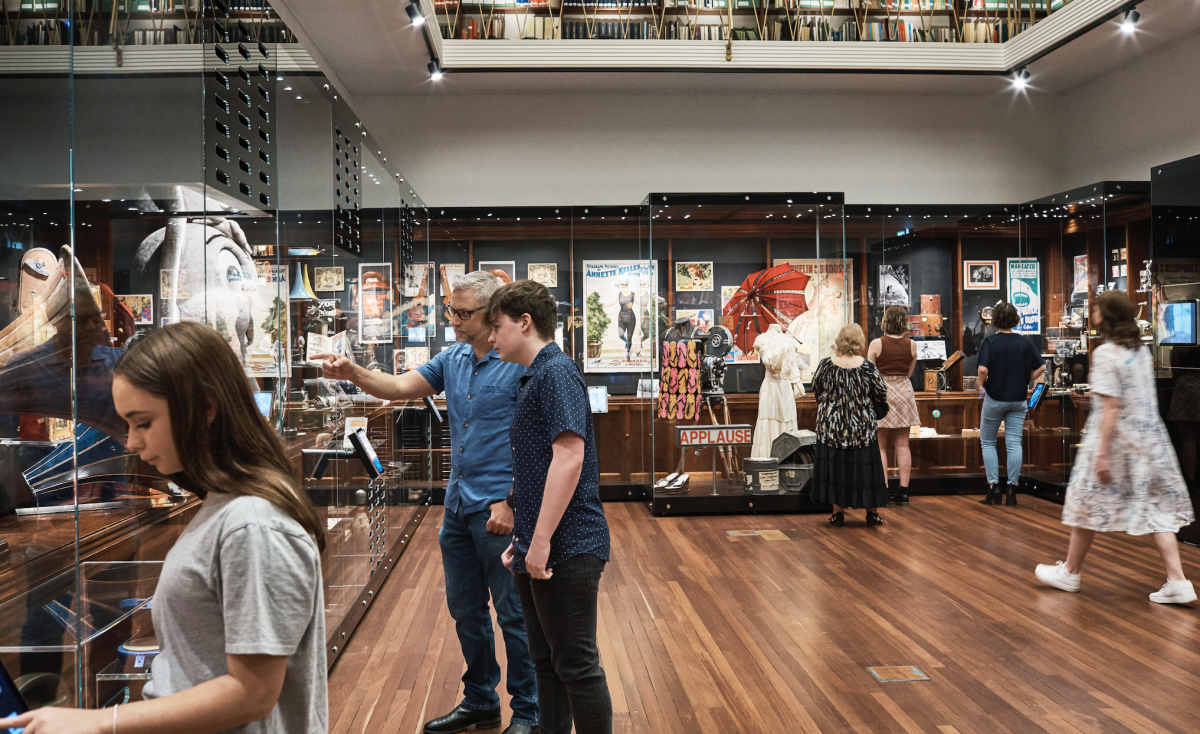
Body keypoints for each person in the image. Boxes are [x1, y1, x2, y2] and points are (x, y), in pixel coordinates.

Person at [2, 321, 328, 734]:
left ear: (205, 408)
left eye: (143, 423)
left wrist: (103, 722)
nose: (131, 442)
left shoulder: (252, 525)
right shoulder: (230, 509)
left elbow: (253, 693)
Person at [314, 271, 539, 734]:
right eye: (450, 310)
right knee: (465, 611)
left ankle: (529, 711)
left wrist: (512, 501)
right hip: (457, 509)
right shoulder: (451, 359)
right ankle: (480, 699)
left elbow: (541, 441)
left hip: (499, 510)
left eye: (463, 313)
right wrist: (350, 371)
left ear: (492, 313)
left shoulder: (520, 363)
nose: (453, 319)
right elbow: (398, 387)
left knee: (513, 614)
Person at [487, 279, 612, 734]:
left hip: (569, 544)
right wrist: (523, 538)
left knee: (576, 666)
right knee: (547, 662)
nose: (492, 337)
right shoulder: (535, 375)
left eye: (497, 326)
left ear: (525, 322)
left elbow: (569, 455)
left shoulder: (555, 372)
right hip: (540, 544)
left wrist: (537, 542)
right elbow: (537, 467)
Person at [1035, 291, 1196, 604]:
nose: (1091, 313)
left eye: (1096, 310)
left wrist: (1102, 454)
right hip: (1149, 441)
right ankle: (1178, 580)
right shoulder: (1141, 351)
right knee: (1155, 506)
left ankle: (1070, 571)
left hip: (1116, 440)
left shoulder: (1107, 353)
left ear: (1106, 316)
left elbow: (1110, 407)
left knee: (1086, 501)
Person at [811, 323, 890, 527]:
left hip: (831, 428)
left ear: (840, 340)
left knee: (836, 469)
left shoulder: (826, 365)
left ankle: (837, 513)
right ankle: (871, 513)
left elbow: (816, 390)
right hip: (861, 428)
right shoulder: (867, 366)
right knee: (865, 471)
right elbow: (881, 392)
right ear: (860, 342)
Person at [976, 303, 1046, 506]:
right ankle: (1012, 490)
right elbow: (1041, 366)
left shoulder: (990, 342)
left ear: (995, 319)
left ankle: (994, 487)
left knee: (988, 442)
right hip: (1018, 399)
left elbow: (982, 369)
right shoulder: (1025, 342)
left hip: (995, 397)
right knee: (1014, 443)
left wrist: (983, 386)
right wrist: (1026, 380)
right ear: (1015, 319)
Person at [867, 305, 919, 506]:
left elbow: (870, 373)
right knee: (903, 444)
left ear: (885, 321)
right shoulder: (912, 345)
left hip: (883, 392)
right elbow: (910, 373)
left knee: (880, 445)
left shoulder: (876, 344)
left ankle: (883, 490)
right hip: (904, 392)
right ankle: (904, 492)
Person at [603, 276, 637, 362]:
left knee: (629, 337)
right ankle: (627, 343)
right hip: (621, 317)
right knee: (621, 335)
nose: (621, 288)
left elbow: (639, 303)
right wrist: (602, 304)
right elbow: (611, 302)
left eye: (622, 286)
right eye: (620, 286)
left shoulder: (633, 294)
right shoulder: (619, 294)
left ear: (626, 285)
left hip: (631, 318)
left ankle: (628, 354)